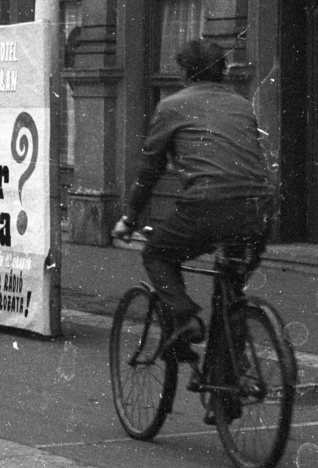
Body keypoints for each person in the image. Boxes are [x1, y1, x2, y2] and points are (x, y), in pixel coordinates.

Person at [112, 38, 273, 412]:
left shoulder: (171, 106)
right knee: (231, 290)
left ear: (184, 72)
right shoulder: (240, 104)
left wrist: (130, 219)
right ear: (222, 72)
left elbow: (150, 169)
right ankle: (224, 389)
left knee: (157, 254)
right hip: (257, 209)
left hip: (207, 206)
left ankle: (184, 318)